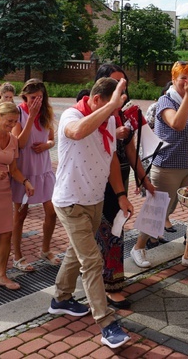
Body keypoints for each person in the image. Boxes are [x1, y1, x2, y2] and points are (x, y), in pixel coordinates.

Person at [48, 77, 133, 349]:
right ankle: (107, 324)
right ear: (96, 101)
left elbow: (109, 161)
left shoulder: (107, 119)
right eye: (111, 106)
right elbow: (77, 132)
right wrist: (110, 109)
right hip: (70, 201)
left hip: (94, 200)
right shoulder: (71, 115)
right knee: (92, 261)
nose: (114, 113)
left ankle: (60, 298)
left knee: (78, 252)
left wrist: (121, 195)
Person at [131, 61, 188, 272]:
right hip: (167, 164)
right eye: (182, 78)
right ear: (173, 80)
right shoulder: (165, 101)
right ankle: (138, 248)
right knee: (158, 210)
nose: (187, 82)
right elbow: (177, 124)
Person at [92, 65, 154, 309]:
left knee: (116, 228)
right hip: (96, 179)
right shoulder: (92, 105)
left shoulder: (123, 111)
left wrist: (144, 179)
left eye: (124, 84)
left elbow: (130, 149)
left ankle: (112, 282)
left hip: (120, 176)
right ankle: (101, 283)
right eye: (116, 83)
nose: (122, 89)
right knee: (99, 231)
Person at [0, 102, 35, 290]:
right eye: (9, 121)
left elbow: (14, 169)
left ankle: (1, 275)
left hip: (3, 190)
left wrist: (25, 182)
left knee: (5, 233)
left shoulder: (12, 140)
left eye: (15, 122)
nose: (12, 125)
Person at [10, 79, 58, 271]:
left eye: (39, 97)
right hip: (24, 170)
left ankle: (45, 250)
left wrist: (47, 145)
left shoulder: (47, 113)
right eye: (32, 98)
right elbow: (20, 144)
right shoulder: (19, 113)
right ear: (25, 97)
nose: (35, 102)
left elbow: (52, 139)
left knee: (52, 211)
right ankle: (17, 255)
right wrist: (30, 117)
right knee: (21, 213)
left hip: (43, 168)